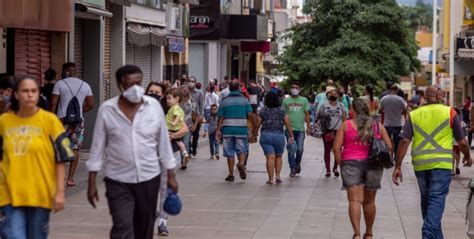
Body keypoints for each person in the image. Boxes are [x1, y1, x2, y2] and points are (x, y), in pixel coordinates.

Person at [86, 65, 179, 239]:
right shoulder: (107, 110)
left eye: (138, 83)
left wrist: (171, 175)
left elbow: (164, 143)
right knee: (122, 227)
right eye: (129, 84)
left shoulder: (153, 107)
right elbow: (97, 147)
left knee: (144, 227)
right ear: (120, 85)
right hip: (118, 180)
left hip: (149, 178)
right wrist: (91, 181)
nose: (135, 88)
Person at [392, 85, 473, 239]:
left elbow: (404, 142)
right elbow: (462, 142)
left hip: (421, 164)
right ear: (440, 97)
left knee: (427, 201)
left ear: (425, 96)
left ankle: (433, 235)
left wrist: (398, 166)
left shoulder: (414, 114)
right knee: (436, 199)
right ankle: (427, 233)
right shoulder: (449, 112)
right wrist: (467, 157)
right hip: (441, 165)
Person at [0, 76, 74, 238]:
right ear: (16, 94)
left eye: (33, 91)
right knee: (13, 235)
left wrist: (60, 192)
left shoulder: (50, 121)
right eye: (25, 91)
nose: (29, 95)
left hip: (40, 193)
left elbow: (61, 158)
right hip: (9, 194)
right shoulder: (4, 122)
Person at [333, 98, 392, 239]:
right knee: (370, 202)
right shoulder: (377, 125)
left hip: (350, 163)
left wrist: (342, 164)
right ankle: (369, 233)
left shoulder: (346, 125)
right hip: (373, 165)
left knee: (354, 201)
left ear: (353, 109)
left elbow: (336, 147)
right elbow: (389, 146)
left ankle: (357, 234)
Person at [50, 62, 94, 187]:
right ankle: (70, 179)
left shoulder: (59, 84)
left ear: (67, 71)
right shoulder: (85, 85)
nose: (62, 73)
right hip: (78, 122)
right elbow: (91, 104)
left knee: (59, 148)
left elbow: (53, 103)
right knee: (75, 148)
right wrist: (79, 111)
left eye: (63, 71)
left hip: (61, 121)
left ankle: (60, 175)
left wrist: (50, 118)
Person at [216, 79, 255, 182]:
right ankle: (241, 163)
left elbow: (220, 117)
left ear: (229, 88)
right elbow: (250, 114)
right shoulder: (244, 100)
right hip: (241, 129)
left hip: (228, 129)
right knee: (242, 149)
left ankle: (231, 174)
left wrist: (218, 130)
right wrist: (251, 128)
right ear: (238, 88)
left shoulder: (225, 101)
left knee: (230, 152)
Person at [257, 91, 294, 184]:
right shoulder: (281, 110)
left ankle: (270, 179)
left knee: (270, 157)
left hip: (266, 135)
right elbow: (287, 124)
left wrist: (254, 133)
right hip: (279, 136)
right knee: (278, 156)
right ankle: (277, 176)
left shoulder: (263, 110)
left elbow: (258, 123)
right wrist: (291, 135)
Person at [282, 82, 311, 177]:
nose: (294, 89)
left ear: (299, 89)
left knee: (300, 150)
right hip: (289, 129)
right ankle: (293, 168)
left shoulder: (304, 100)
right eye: (292, 87)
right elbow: (282, 114)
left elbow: (307, 114)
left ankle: (297, 163)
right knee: (291, 150)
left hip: (300, 129)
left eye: (296, 87)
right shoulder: (286, 101)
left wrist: (309, 126)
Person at [319, 89, 347, 177]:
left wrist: (345, 130)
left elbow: (344, 119)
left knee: (337, 149)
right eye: (331, 94)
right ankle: (328, 170)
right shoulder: (324, 105)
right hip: (327, 131)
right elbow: (319, 116)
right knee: (327, 150)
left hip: (338, 131)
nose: (333, 96)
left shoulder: (341, 106)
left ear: (338, 96)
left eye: (335, 94)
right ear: (328, 95)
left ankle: (335, 167)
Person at [378, 85, 407, 161]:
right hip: (397, 124)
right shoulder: (400, 99)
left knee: (386, 141)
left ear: (390, 90)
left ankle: (388, 156)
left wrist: (386, 111)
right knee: (397, 142)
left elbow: (380, 111)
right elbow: (405, 110)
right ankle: (396, 157)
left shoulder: (384, 99)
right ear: (397, 90)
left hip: (387, 124)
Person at [165, 88, 191, 163]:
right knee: (179, 142)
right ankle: (185, 153)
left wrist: (174, 123)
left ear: (177, 99)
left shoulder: (175, 108)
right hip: (176, 129)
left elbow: (177, 116)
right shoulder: (177, 108)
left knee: (171, 139)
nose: (167, 100)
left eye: (169, 98)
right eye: (167, 98)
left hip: (172, 128)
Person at [180, 86, 198, 169]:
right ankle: (181, 159)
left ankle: (184, 161)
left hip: (188, 126)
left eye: (185, 90)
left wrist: (195, 125)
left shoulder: (192, 101)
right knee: (179, 143)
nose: (184, 92)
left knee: (186, 142)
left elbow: (197, 113)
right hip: (178, 126)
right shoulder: (177, 100)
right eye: (182, 90)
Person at [188, 77, 204, 157]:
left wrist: (201, 115)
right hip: (187, 117)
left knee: (196, 134)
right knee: (187, 134)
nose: (191, 82)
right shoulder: (185, 91)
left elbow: (201, 105)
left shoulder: (199, 92)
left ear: (195, 82)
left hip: (196, 117)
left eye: (192, 81)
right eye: (189, 81)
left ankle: (194, 148)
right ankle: (189, 148)